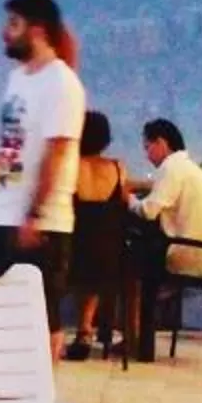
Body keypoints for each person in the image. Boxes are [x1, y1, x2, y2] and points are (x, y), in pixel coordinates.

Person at [0, 0, 85, 356]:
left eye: (14, 24)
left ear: (37, 30)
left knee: (40, 316)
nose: (5, 32)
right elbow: (14, 143)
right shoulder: (17, 79)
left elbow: (57, 151)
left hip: (39, 222)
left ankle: (40, 397)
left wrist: (34, 214)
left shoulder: (62, 84)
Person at [64, 110, 128, 360]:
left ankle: (61, 329)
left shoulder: (71, 167)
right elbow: (124, 201)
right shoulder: (117, 167)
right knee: (97, 273)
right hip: (109, 252)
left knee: (67, 268)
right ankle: (85, 329)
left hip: (75, 245)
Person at [134, 120, 202, 278]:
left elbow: (148, 211)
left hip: (185, 254)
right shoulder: (192, 169)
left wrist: (129, 199)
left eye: (147, 148)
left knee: (131, 253)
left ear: (160, 143)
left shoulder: (171, 167)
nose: (147, 156)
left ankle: (142, 301)